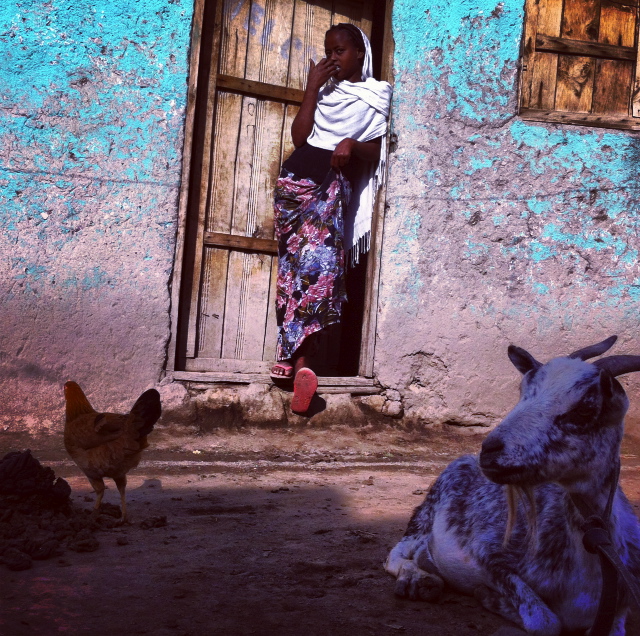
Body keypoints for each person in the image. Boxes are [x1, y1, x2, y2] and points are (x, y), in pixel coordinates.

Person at [271, 23, 392, 414]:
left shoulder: (377, 94)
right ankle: (295, 359)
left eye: (340, 51)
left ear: (360, 53)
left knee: (320, 271)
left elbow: (380, 149)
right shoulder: (325, 92)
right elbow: (300, 138)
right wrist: (311, 88)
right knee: (292, 272)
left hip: (330, 187)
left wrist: (352, 144)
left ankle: (299, 362)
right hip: (294, 185)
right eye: (328, 52)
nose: (333, 58)